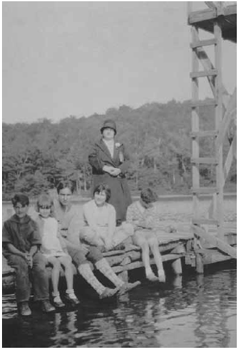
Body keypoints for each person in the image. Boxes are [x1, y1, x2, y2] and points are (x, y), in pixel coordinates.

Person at [53, 180, 140, 299]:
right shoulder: (52, 207)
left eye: (68, 195)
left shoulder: (73, 209)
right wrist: (78, 247)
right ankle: (101, 290)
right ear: (57, 194)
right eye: (62, 195)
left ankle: (120, 284)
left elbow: (74, 232)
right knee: (79, 255)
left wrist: (81, 245)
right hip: (58, 243)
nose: (65, 198)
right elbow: (54, 234)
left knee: (94, 252)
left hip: (72, 241)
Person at [2, 194, 55, 316]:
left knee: (40, 265)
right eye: (17, 207)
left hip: (30, 252)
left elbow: (36, 243)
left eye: (22, 207)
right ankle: (23, 302)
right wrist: (22, 254)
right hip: (14, 252)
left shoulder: (32, 223)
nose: (20, 210)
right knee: (21, 267)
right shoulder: (8, 224)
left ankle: (43, 299)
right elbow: (8, 245)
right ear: (14, 207)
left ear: (28, 207)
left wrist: (30, 255)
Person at [35, 193, 79, 307]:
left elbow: (58, 237)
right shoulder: (38, 221)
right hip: (46, 249)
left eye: (47, 208)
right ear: (38, 208)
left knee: (68, 262)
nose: (45, 211)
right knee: (56, 263)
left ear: (51, 208)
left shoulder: (53, 220)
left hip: (57, 248)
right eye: (42, 208)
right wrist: (44, 249)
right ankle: (55, 294)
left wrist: (65, 250)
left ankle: (70, 291)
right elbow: (38, 238)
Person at [88, 119, 132, 224]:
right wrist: (105, 168)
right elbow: (92, 159)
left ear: (114, 132)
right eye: (106, 129)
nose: (108, 132)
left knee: (119, 209)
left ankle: (118, 224)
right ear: (102, 132)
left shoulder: (120, 146)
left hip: (118, 180)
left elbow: (128, 160)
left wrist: (119, 169)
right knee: (102, 207)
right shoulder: (96, 146)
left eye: (111, 130)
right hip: (102, 179)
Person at [126, 188, 166, 282]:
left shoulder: (152, 207)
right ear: (141, 200)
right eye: (147, 203)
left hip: (149, 232)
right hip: (137, 233)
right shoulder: (131, 208)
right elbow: (129, 224)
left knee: (154, 245)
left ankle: (161, 272)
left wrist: (138, 222)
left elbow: (153, 224)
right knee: (144, 245)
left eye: (150, 203)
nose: (149, 205)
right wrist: (142, 224)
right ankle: (148, 272)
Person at [81, 184, 134, 251]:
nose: (99, 197)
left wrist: (109, 238)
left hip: (107, 233)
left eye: (102, 195)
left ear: (107, 197)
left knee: (129, 227)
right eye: (97, 194)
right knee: (85, 231)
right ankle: (109, 245)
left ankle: (107, 246)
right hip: (95, 233)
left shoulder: (110, 208)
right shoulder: (87, 206)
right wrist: (105, 238)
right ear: (94, 194)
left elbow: (111, 226)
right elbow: (93, 226)